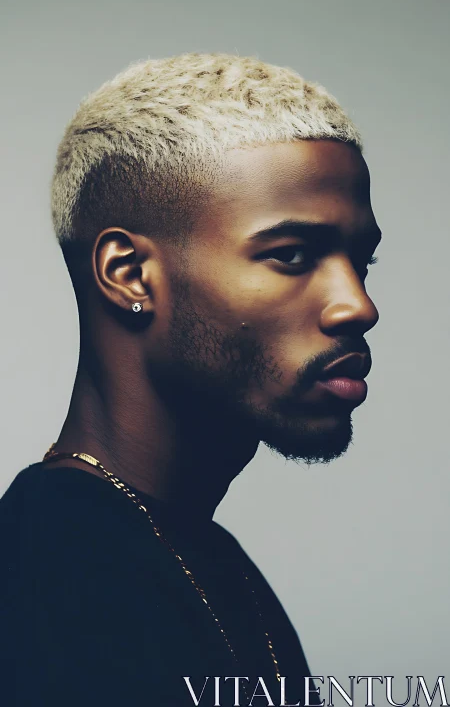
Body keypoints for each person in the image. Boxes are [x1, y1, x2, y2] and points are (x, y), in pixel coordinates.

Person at [0, 53, 381, 706]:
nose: (358, 306)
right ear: (129, 275)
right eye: (291, 255)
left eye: (361, 261)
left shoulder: (204, 560)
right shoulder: (56, 579)